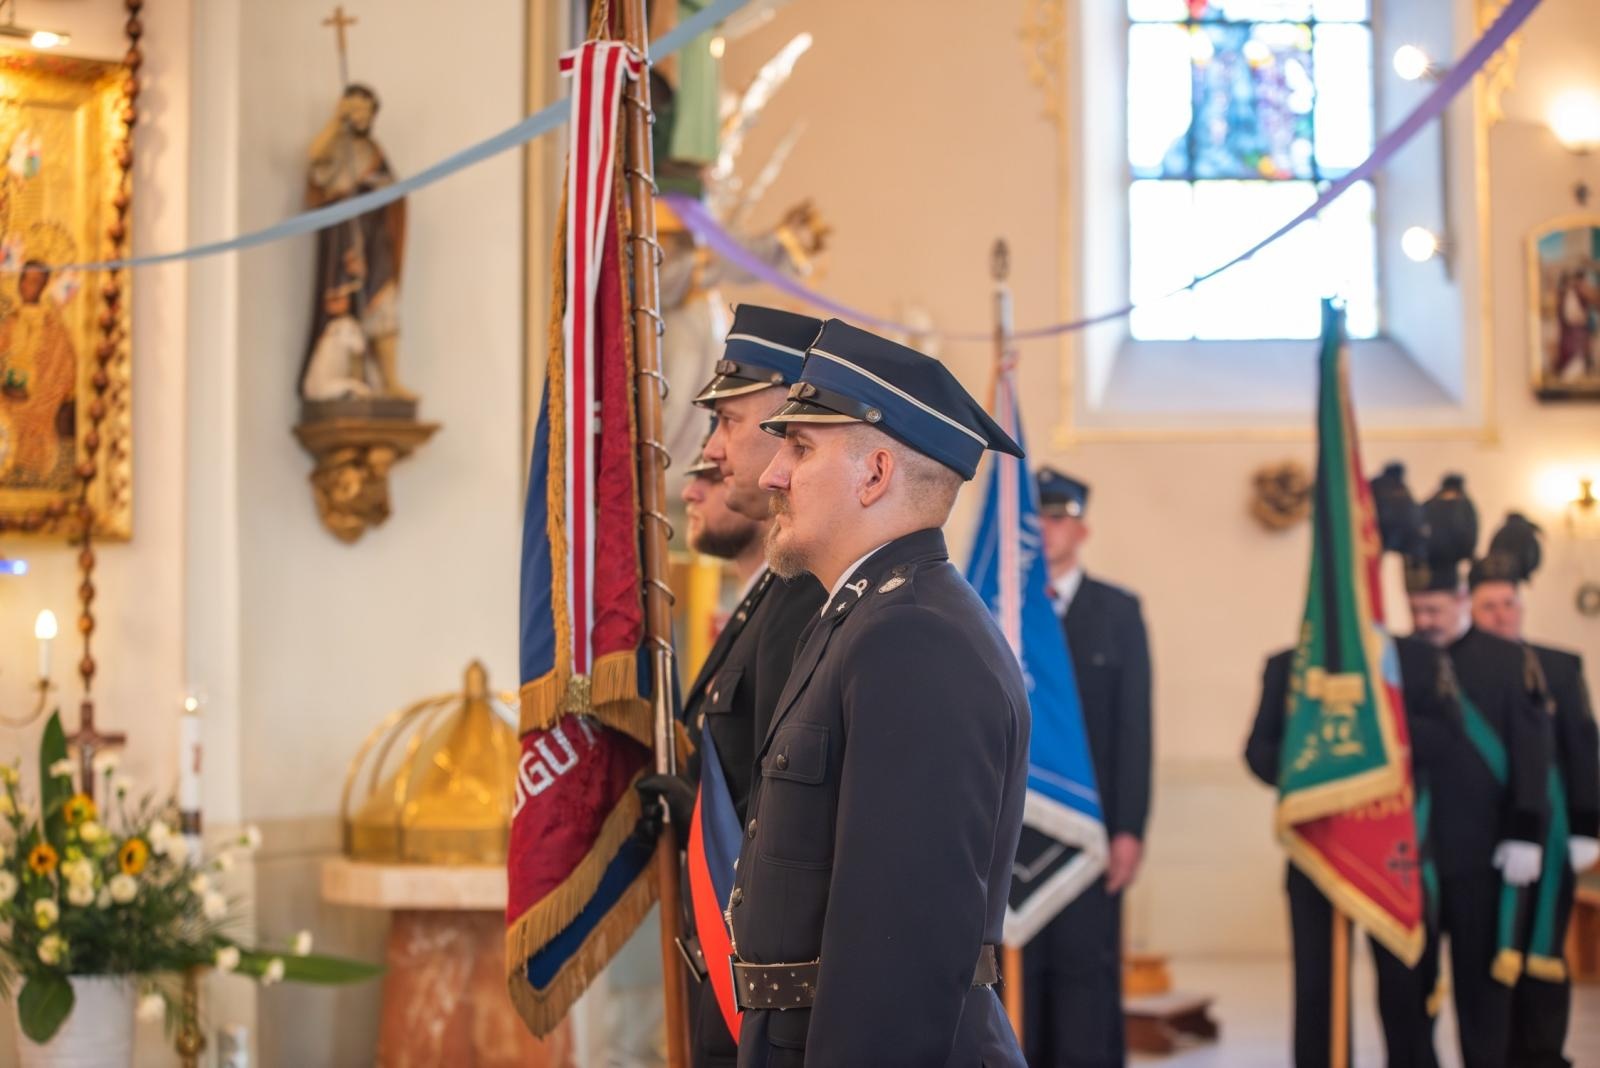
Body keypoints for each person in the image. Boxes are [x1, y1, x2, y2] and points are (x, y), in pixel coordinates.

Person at [724, 318, 1030, 1067]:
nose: (771, 475)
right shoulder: (866, 618)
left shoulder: (913, 638)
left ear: (875, 474)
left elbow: (902, 953)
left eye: (800, 448)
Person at [636, 307, 827, 1068]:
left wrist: (699, 816)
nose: (707, 456)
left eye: (726, 426)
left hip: (759, 964)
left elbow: (781, 806)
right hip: (730, 949)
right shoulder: (771, 599)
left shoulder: (803, 599)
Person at [1243, 463, 1463, 1068]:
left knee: (1405, 991)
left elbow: (1447, 742)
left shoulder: (1417, 662)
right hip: (1317, 849)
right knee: (1317, 991)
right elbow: (1258, 752)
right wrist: (1316, 767)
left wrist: (1374, 737)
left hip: (1397, 848)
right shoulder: (1288, 666)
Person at [1404, 474, 1552, 1068]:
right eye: (1416, 610)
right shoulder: (1401, 660)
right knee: (1408, 996)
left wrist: (1526, 831)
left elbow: (1531, 750)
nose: (1425, 621)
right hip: (1414, 856)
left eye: (1435, 609)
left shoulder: (1509, 661)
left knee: (1482, 995)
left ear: (1462, 601)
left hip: (1485, 855)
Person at [1024, 468, 1151, 1068]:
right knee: (1019, 976)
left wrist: (1129, 829)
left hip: (1090, 833)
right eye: (1036, 519)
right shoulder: (1002, 609)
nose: (1046, 530)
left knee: (1086, 973)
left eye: (1057, 518)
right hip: (1019, 832)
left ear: (1082, 530)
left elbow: (1134, 727)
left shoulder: (1116, 611)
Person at [1468, 516, 1600, 1068]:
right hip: (1484, 839)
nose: (1502, 615)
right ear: (1471, 610)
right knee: (1489, 955)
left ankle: (1544, 1055)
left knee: (1545, 951)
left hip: (1551, 835)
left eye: (1509, 603)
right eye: (1489, 606)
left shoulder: (1559, 667)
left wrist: (1586, 826)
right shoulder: (1459, 671)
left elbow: (1582, 747)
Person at [301, 83, 411, 402]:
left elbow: (393, 192)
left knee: (383, 303)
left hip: (374, 239)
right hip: (344, 240)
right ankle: (352, 377)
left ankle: (389, 380)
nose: (362, 116)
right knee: (347, 311)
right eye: (355, 109)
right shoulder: (337, 146)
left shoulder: (374, 152)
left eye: (367, 110)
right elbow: (315, 158)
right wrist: (336, 123)